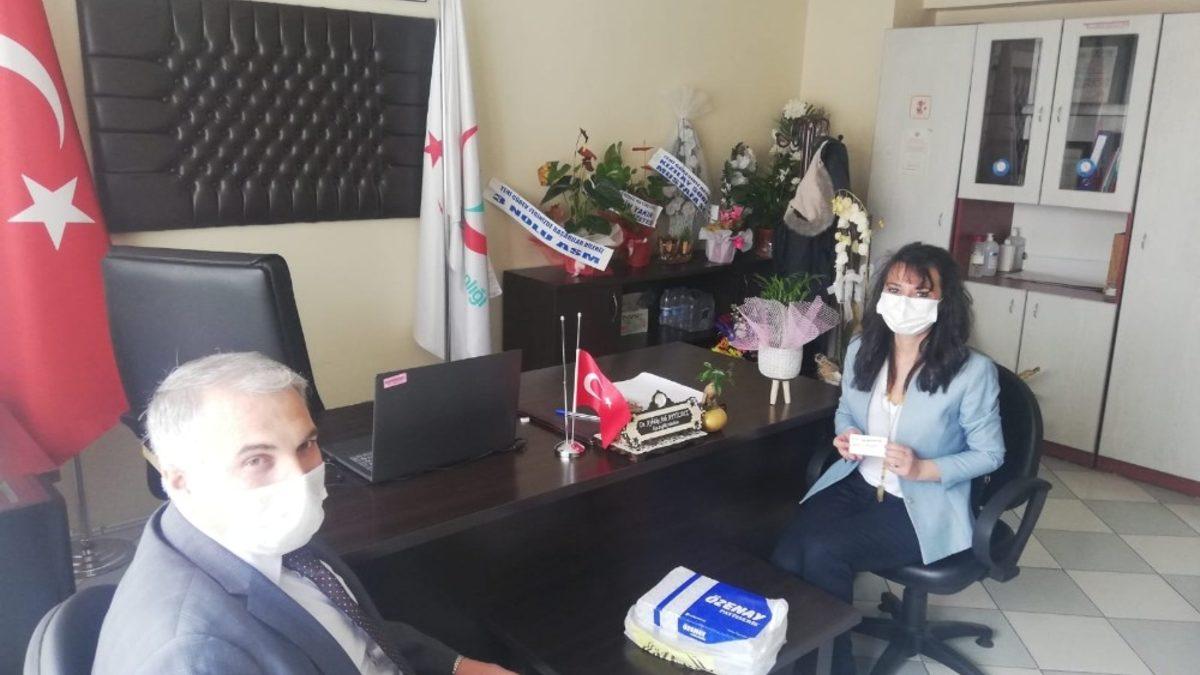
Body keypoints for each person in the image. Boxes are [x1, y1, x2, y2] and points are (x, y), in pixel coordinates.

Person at [93, 352, 515, 675]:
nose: (297, 478)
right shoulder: (195, 654)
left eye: (305, 445)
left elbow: (354, 633)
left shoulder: (259, 533)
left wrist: (457, 666)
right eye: (257, 459)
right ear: (180, 480)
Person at [770, 243, 1004, 675]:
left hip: (920, 503)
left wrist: (922, 468)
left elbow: (990, 454)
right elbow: (846, 409)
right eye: (895, 290)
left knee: (823, 552)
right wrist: (846, 435)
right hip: (858, 481)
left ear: (944, 301)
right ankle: (787, 663)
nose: (905, 302)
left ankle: (833, 669)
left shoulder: (972, 372)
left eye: (921, 293)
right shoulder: (863, 348)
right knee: (787, 553)